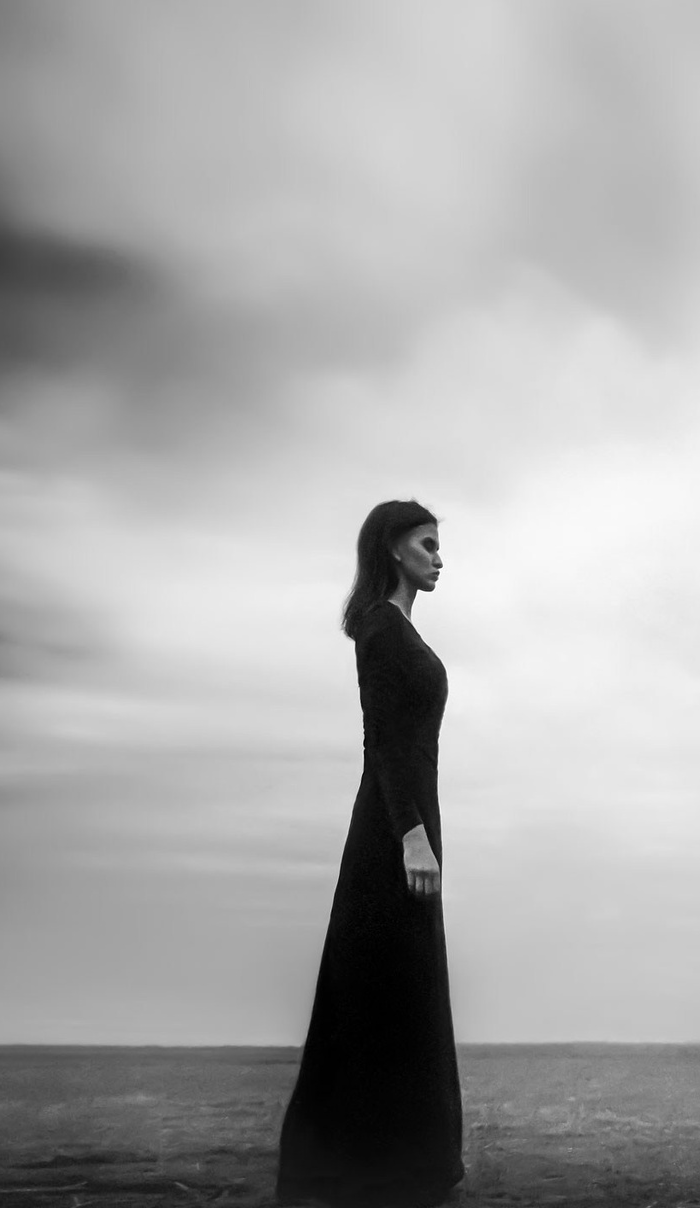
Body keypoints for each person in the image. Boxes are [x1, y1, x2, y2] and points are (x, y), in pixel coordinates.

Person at [278, 500, 462, 1207]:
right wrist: (411, 835)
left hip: (409, 821)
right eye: (428, 544)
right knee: (382, 987)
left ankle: (399, 1163)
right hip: (393, 831)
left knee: (398, 988)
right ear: (393, 548)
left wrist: (420, 830)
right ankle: (369, 1166)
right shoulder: (382, 629)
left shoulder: (399, 628)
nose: (439, 557)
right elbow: (382, 741)